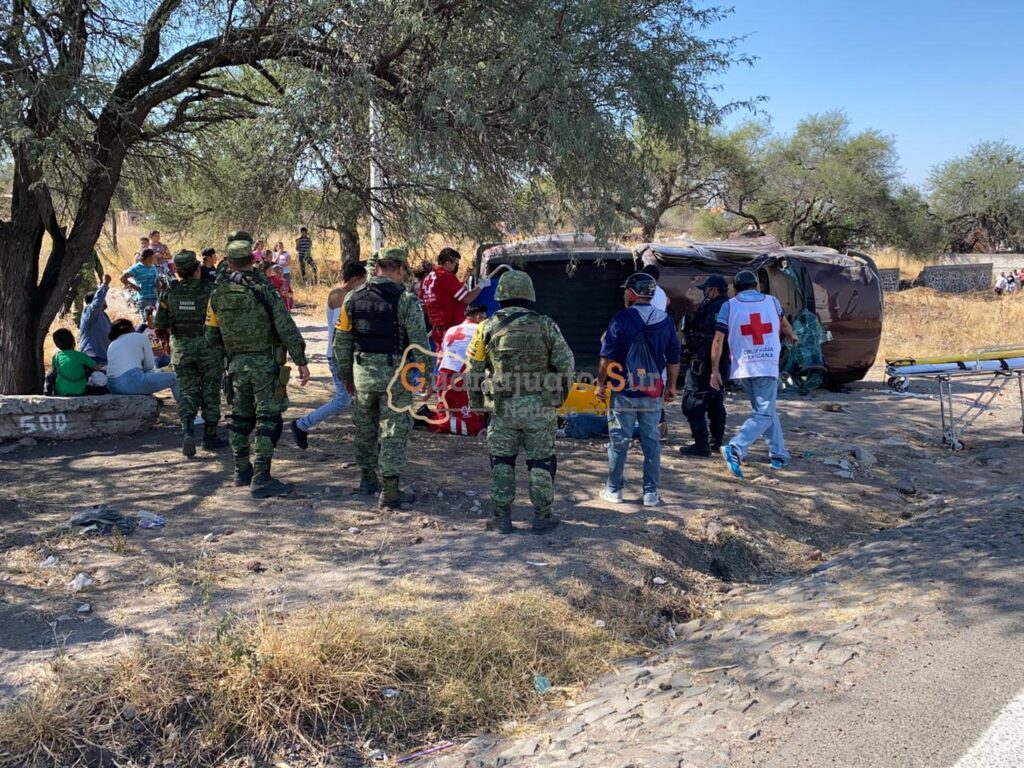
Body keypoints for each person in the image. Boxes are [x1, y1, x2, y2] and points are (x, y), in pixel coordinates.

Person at [466, 270, 575, 533]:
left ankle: (502, 518)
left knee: (502, 461)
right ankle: (542, 517)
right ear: (529, 294)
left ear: (500, 295)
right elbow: (566, 364)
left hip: (503, 408)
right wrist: (558, 397)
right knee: (541, 461)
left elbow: (474, 369)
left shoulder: (485, 327)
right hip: (540, 408)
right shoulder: (546, 325)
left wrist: (477, 404)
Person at [206, 240, 310, 497]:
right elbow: (285, 326)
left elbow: (211, 336)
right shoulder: (264, 290)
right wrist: (300, 360)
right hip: (265, 366)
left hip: (236, 367)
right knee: (268, 418)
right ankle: (262, 476)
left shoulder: (217, 295)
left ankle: (241, 470)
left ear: (229, 262)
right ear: (252, 261)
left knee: (240, 418)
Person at [333, 247, 429, 509]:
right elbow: (420, 345)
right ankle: (390, 491)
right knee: (393, 431)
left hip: (363, 375)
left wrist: (346, 375)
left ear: (376, 268)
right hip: (395, 379)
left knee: (365, 429)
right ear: (400, 269)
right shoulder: (407, 301)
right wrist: (425, 377)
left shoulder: (352, 298)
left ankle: (367, 480)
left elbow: (341, 342)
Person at [595, 272, 680, 507]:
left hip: (623, 390)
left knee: (619, 440)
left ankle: (614, 490)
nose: (624, 294)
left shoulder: (620, 319)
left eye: (626, 290)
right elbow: (674, 358)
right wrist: (671, 386)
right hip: (652, 391)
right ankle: (651, 493)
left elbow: (606, 357)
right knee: (651, 441)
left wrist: (600, 383)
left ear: (632, 293)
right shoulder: (666, 321)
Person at [710, 270, 799, 478]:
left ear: (735, 288)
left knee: (765, 410)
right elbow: (784, 324)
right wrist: (792, 336)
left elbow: (718, 340)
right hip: (766, 364)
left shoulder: (728, 306)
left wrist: (715, 370)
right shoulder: (772, 302)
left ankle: (778, 454)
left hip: (743, 367)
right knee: (764, 413)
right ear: (756, 285)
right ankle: (736, 447)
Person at [156, 250, 227, 457]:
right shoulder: (211, 290)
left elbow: (160, 323)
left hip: (182, 350)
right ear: (197, 269)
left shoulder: (169, 293)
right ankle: (210, 436)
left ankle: (188, 430)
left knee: (187, 391)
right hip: (209, 350)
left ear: (177, 271)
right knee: (211, 391)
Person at [291, 261, 368, 448]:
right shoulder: (340, 296)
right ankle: (302, 424)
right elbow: (342, 326)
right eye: (363, 281)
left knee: (361, 397)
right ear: (355, 279)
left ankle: (369, 437)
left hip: (345, 355)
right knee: (343, 400)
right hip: (338, 355)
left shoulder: (346, 295)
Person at [679, 275, 730, 457]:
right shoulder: (729, 306)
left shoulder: (715, 308)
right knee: (716, 401)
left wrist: (698, 355)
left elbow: (711, 338)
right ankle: (715, 443)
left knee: (693, 402)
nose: (704, 293)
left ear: (714, 290)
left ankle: (701, 444)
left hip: (704, 362)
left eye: (706, 290)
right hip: (721, 362)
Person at [430, 303, 488, 436]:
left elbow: (440, 359)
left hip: (443, 378)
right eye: (484, 318)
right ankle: (427, 421)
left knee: (446, 412)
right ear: (478, 318)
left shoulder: (451, 330)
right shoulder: (480, 329)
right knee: (474, 428)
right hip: (460, 380)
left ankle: (430, 417)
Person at [418, 247, 482, 350]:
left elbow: (422, 304)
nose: (456, 267)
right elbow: (467, 299)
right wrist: (480, 286)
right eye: (456, 263)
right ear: (448, 263)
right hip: (451, 329)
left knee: (441, 356)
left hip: (436, 329)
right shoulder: (446, 276)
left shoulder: (427, 279)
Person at [106, 319, 180, 399]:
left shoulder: (112, 344)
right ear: (132, 329)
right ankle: (184, 406)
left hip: (112, 386)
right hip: (130, 382)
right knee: (176, 378)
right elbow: (149, 365)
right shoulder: (140, 336)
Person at [50, 329, 104, 397]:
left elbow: (54, 371)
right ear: (73, 341)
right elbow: (97, 367)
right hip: (80, 391)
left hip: (61, 392)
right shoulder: (81, 355)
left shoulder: (56, 357)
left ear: (57, 345)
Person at [79, 274, 113, 364]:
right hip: (93, 357)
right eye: (103, 299)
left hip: (103, 356)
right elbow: (96, 304)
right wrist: (105, 284)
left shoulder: (103, 315)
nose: (104, 300)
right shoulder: (89, 311)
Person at [121, 249, 159, 319]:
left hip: (154, 297)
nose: (154, 258)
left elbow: (157, 281)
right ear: (148, 257)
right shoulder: (136, 268)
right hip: (143, 298)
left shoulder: (153, 267)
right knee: (145, 321)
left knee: (155, 320)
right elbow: (122, 278)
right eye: (152, 257)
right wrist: (134, 287)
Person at [71, 249, 105, 326]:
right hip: (78, 283)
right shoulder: (72, 250)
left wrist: (102, 278)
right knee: (78, 303)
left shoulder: (91, 251)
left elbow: (98, 265)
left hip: (91, 282)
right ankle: (79, 324)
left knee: (96, 300)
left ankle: (98, 320)